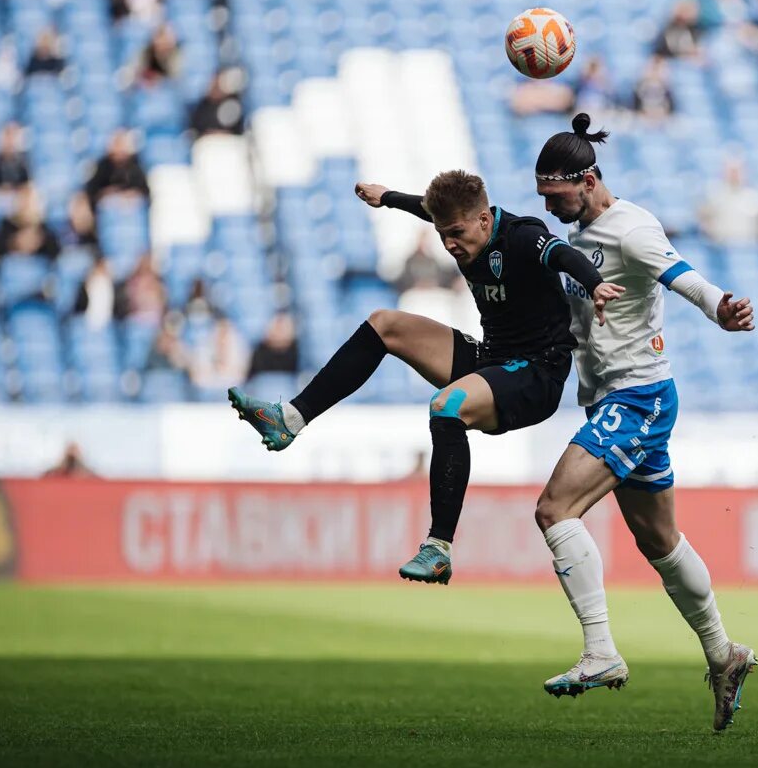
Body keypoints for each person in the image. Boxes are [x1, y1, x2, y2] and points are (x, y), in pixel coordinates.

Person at [227, 170, 623, 584]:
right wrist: (388, 197)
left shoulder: (522, 237)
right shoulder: (460, 225)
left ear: (485, 220)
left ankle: (438, 547)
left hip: (537, 374)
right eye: (442, 233)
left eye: (455, 232)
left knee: (446, 405)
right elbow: (427, 209)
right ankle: (290, 418)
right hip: (492, 359)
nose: (450, 244)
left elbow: (563, 255)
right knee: (384, 323)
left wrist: (594, 284)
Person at [532, 114, 757, 731]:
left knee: (555, 511)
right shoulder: (575, 237)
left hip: (639, 399)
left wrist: (722, 309)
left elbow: (682, 276)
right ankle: (725, 654)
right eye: (543, 199)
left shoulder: (630, 228)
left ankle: (601, 652)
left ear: (589, 179)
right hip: (614, 398)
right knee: (659, 542)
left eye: (558, 197)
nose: (552, 209)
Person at [698, 156, 758, 244]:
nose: (734, 175)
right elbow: (704, 221)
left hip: (747, 246)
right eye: (731, 171)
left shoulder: (755, 197)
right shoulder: (714, 196)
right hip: (721, 247)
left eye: (737, 171)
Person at [85, 129, 150, 210]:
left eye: (122, 144)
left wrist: (130, 196)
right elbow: (93, 192)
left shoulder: (136, 164)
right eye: (116, 144)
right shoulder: (103, 166)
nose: (119, 149)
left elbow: (144, 192)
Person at [0, 185, 60, 260]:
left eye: (31, 202)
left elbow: (55, 253)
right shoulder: (8, 225)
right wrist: (15, 243)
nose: (27, 205)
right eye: (23, 201)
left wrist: (38, 242)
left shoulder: (44, 229)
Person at [246, 312, 299, 379]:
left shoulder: (299, 354)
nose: (280, 329)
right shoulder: (257, 353)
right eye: (277, 326)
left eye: (283, 327)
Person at [0, 123, 30, 195]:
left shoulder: (24, 162)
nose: (10, 140)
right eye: (7, 135)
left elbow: (27, 186)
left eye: (14, 136)